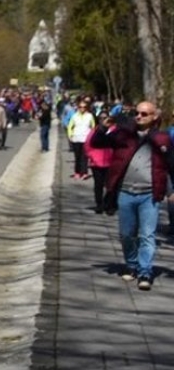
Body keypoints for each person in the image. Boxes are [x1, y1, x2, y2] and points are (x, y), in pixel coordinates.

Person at [92, 102, 174, 291]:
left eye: (144, 113)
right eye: (136, 113)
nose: (139, 116)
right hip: (126, 192)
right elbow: (97, 142)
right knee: (127, 235)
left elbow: (171, 164)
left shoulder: (162, 139)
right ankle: (132, 265)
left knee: (147, 235)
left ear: (154, 117)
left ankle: (145, 272)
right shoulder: (123, 135)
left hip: (149, 195)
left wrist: (171, 190)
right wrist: (104, 125)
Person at [67, 99, 95, 179]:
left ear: (87, 108)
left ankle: (84, 172)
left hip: (86, 139)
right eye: (80, 107)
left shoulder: (90, 116)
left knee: (85, 157)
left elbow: (93, 127)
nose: (82, 108)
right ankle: (77, 172)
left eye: (84, 107)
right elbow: (70, 126)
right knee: (77, 157)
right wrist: (70, 135)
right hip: (76, 139)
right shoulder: (74, 116)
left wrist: (91, 137)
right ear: (78, 108)